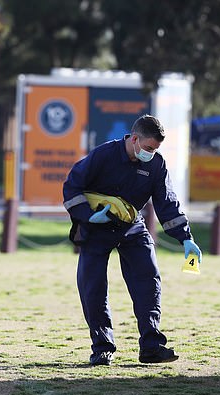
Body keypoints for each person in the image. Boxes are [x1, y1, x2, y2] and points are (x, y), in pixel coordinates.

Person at [62, 114, 202, 366]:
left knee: (149, 282)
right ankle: (102, 348)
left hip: (131, 226)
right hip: (97, 228)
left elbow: (168, 205)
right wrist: (89, 217)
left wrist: (186, 239)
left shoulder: (156, 165)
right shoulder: (103, 155)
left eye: (156, 149)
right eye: (149, 148)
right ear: (134, 139)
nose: (152, 153)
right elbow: (71, 187)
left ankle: (151, 347)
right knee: (93, 288)